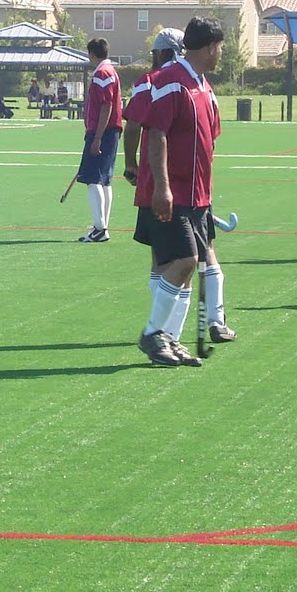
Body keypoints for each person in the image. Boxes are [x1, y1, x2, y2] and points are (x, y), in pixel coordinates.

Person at [135, 18, 227, 367]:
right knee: (186, 261)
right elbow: (155, 134)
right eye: (219, 47)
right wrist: (162, 187)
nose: (221, 53)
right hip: (175, 193)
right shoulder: (172, 82)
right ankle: (153, 333)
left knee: (185, 270)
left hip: (198, 195)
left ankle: (169, 340)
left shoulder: (202, 86)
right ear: (209, 47)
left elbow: (208, 140)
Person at [76, 37, 123, 243]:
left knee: (93, 179)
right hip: (109, 132)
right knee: (104, 180)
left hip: (103, 132)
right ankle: (102, 225)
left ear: (92, 54)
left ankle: (100, 227)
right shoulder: (109, 71)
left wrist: (97, 138)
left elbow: (106, 106)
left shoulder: (102, 74)